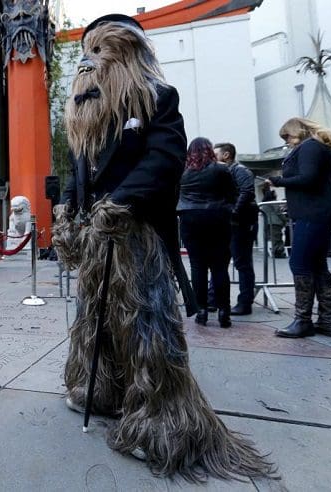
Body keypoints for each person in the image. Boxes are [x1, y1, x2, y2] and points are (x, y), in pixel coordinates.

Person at [52, 14, 272, 480]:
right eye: (86, 49)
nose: (89, 59)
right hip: (96, 237)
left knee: (145, 323)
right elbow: (79, 170)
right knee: (94, 319)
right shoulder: (86, 109)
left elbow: (163, 159)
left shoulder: (157, 98)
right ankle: (104, 390)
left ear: (126, 51)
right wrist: (67, 211)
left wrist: (122, 201)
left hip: (135, 234)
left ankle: (163, 420)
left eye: (100, 48)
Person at [268, 117, 331, 338]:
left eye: (288, 136)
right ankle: (327, 321)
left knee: (300, 263)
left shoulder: (310, 146)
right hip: (320, 211)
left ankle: (303, 321)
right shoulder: (320, 148)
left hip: (312, 212)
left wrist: (278, 181)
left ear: (298, 131)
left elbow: (308, 178)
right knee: (318, 266)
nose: (288, 142)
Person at [178, 138, 236, 328]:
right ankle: (224, 312)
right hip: (217, 218)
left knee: (197, 266)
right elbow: (231, 194)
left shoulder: (183, 171)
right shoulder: (220, 169)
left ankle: (201, 310)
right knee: (220, 267)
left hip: (190, 219)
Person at [213, 142, 258, 315]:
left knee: (242, 263)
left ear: (226, 155)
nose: (212, 156)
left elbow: (246, 192)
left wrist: (233, 212)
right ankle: (214, 299)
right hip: (232, 222)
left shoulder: (240, 170)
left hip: (241, 223)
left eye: (215, 153)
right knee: (222, 261)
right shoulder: (225, 172)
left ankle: (245, 302)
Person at [260, 182, 287, 258]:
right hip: (275, 223)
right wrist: (285, 220)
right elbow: (278, 213)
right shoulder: (273, 202)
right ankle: (278, 253)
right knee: (278, 239)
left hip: (267, 223)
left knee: (273, 239)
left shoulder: (264, 203)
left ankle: (276, 252)